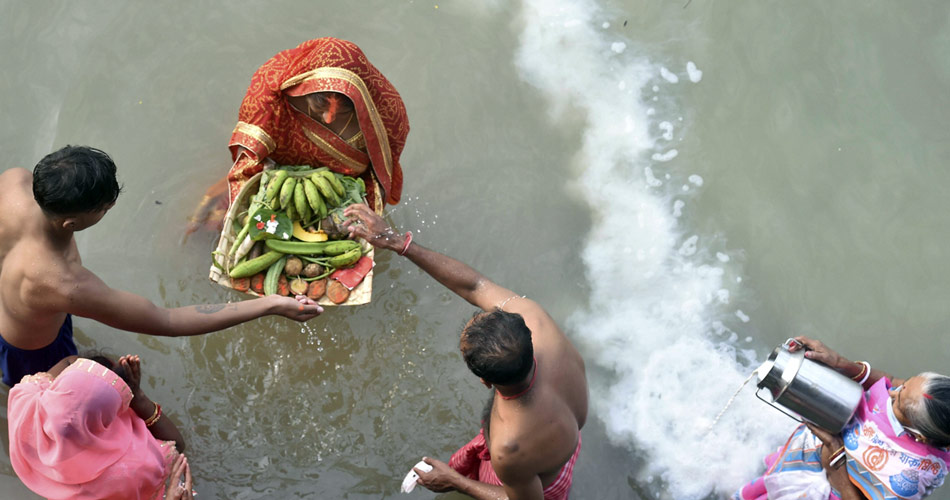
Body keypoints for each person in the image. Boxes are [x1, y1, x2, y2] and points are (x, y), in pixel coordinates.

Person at [0, 146, 323, 386]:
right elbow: (166, 320)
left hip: (15, 299)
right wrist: (268, 305)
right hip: (29, 350)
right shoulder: (62, 284)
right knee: (36, 395)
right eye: (103, 209)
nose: (108, 209)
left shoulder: (14, 182)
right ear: (70, 222)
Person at [344, 204, 588, 500]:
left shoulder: (509, 447)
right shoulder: (537, 321)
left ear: (485, 381)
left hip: (536, 481)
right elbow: (474, 286)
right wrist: (399, 243)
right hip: (562, 442)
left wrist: (456, 482)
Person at [186, 37, 409, 233]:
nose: (329, 119)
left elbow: (382, 173)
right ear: (303, 86)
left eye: (341, 112)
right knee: (217, 224)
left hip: (342, 186)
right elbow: (249, 157)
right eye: (318, 108)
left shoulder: (387, 114)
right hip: (278, 174)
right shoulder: (269, 94)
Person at [733, 336, 950, 500]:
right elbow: (892, 380)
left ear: (921, 437)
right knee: (764, 486)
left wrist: (835, 459)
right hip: (807, 460)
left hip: (827, 489)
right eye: (904, 385)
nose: (891, 392)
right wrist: (841, 363)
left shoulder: (910, 476)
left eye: (898, 401)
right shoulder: (925, 402)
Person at [8, 354, 195, 499]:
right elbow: (177, 444)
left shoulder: (26, 405)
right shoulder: (134, 468)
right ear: (107, 415)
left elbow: (69, 361)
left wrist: (91, 381)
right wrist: (137, 397)